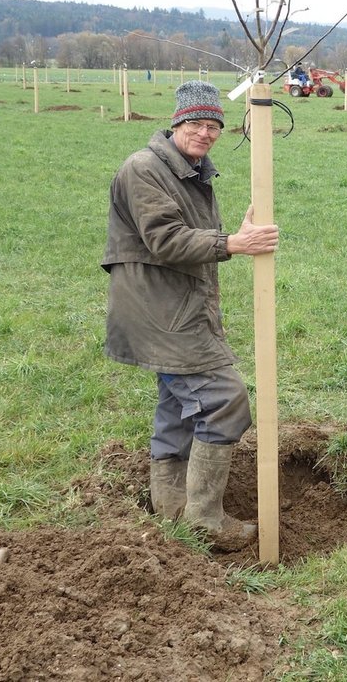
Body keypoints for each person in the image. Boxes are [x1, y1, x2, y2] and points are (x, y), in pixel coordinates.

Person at [102, 80, 280, 551]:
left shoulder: (193, 169)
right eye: (196, 125)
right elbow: (165, 238)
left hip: (174, 305)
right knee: (224, 399)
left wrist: (228, 235)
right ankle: (204, 520)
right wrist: (232, 243)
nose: (205, 134)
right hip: (158, 310)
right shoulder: (144, 169)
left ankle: (171, 507)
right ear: (177, 123)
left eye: (213, 127)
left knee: (178, 404)